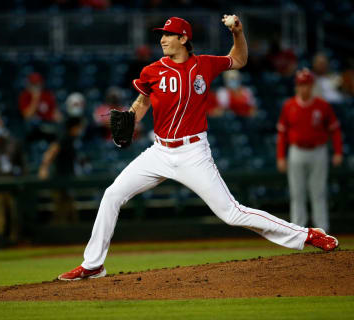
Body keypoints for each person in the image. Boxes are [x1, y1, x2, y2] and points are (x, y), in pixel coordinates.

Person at [58, 16, 339, 281]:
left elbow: (239, 59)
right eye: (161, 35)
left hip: (193, 152)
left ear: (183, 38)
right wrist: (130, 121)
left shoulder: (204, 64)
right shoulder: (151, 70)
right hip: (159, 152)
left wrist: (237, 33)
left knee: (231, 213)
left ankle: (307, 235)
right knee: (112, 194)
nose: (163, 39)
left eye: (168, 34)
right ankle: (93, 265)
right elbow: (142, 103)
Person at [276, 68, 343, 233]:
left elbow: (334, 130)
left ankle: (322, 230)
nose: (303, 88)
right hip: (296, 151)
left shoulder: (322, 105)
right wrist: (281, 156)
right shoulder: (289, 105)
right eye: (300, 85)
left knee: (318, 193)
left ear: (311, 86)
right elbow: (282, 134)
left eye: (306, 84)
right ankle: (298, 231)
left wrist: (338, 151)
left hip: (318, 151)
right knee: (297, 193)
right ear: (296, 87)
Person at [38, 116, 85, 224]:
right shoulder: (65, 137)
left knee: (69, 208)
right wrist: (43, 168)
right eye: (80, 127)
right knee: (61, 208)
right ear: (74, 127)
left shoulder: (72, 139)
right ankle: (57, 236)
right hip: (59, 178)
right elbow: (50, 152)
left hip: (67, 178)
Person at [18, 72, 61, 142]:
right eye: (34, 84)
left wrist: (58, 117)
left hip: (48, 126)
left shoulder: (47, 95)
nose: (36, 86)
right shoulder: (24, 96)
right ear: (29, 85)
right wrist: (35, 99)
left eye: (38, 84)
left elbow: (55, 113)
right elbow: (27, 116)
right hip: (34, 130)